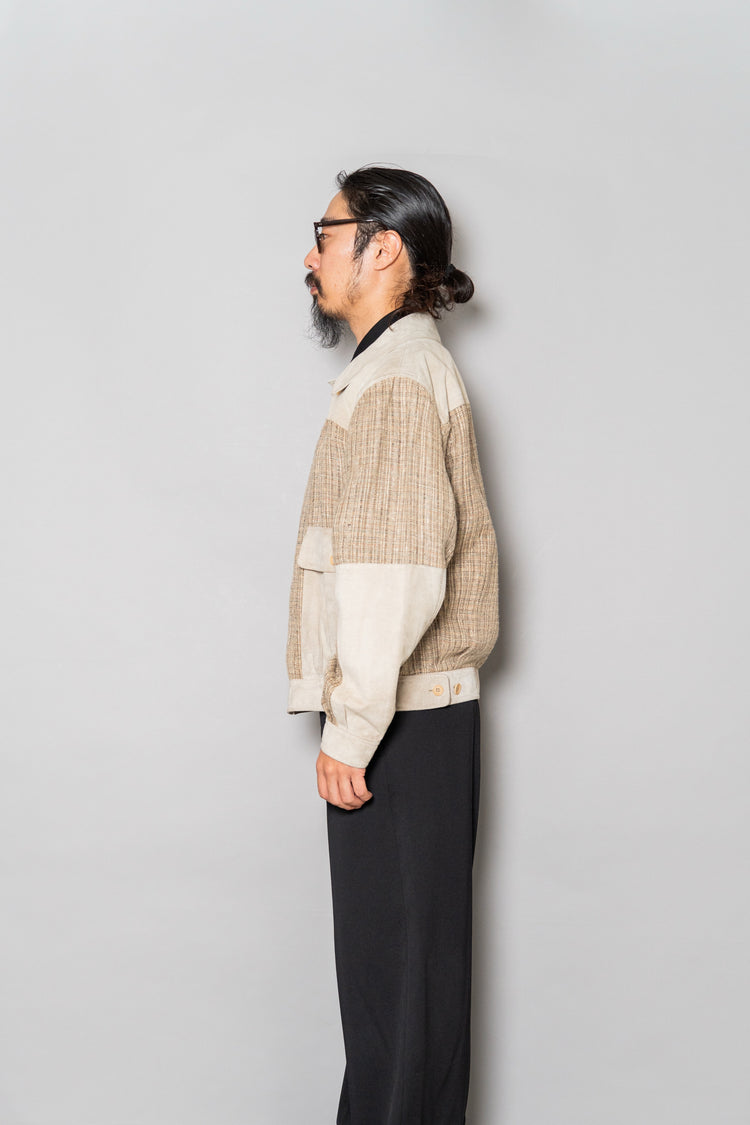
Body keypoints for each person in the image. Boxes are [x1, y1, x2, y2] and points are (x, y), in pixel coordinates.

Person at [286, 165, 499, 1125]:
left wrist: (351, 729)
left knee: (398, 1002)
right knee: (403, 998)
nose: (309, 256)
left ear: (383, 248)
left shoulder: (399, 380)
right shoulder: (396, 369)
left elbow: (394, 570)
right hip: (407, 723)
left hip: (399, 728)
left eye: (324, 234)